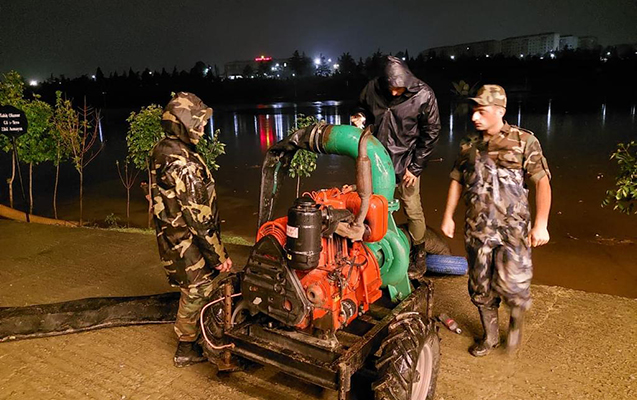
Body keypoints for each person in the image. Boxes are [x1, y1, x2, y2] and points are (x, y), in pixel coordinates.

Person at [440, 85, 551, 356]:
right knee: (480, 286)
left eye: (482, 111)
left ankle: (514, 326)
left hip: (513, 230)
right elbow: (456, 180)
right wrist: (448, 216)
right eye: (474, 111)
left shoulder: (524, 141)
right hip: (477, 229)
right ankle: (490, 337)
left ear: (500, 111)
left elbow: (542, 182)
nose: (475, 117)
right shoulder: (469, 144)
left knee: (515, 285)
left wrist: (541, 224)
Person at [150, 92, 232, 367]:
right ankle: (186, 347)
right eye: (199, 122)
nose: (204, 126)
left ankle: (193, 335)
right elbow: (199, 219)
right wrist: (219, 257)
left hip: (171, 235)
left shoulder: (164, 149)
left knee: (193, 286)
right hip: (186, 240)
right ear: (184, 124)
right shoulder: (184, 164)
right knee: (198, 288)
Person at [351, 56, 440, 273]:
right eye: (389, 88)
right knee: (372, 207)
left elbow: (431, 133)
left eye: (398, 89)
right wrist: (359, 117)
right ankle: (373, 251)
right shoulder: (372, 88)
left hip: (407, 163)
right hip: (376, 163)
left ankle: (418, 253)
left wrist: (416, 167)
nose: (393, 93)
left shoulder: (424, 94)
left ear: (407, 81)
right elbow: (361, 107)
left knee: (413, 209)